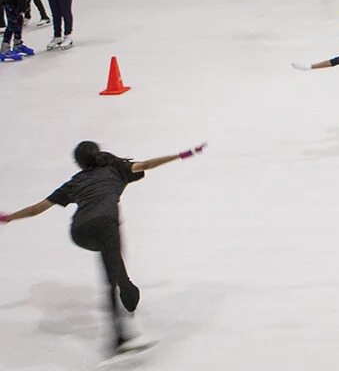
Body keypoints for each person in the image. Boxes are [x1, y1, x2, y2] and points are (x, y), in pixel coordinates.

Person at [0, 139, 206, 356]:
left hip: (79, 232)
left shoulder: (75, 181)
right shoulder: (116, 168)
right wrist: (182, 154)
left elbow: (37, 208)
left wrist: (8, 218)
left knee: (113, 266)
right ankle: (119, 336)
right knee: (111, 278)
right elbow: (146, 165)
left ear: (79, 163)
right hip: (106, 224)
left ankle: (127, 290)